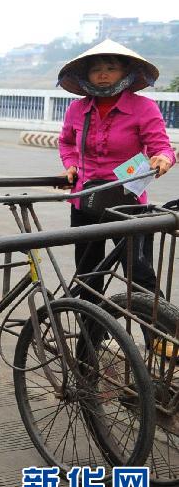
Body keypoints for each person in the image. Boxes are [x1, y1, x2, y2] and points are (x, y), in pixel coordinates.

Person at [56, 39, 174, 299]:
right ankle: (90, 337)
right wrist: (70, 165)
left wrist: (162, 158)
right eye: (96, 69)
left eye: (111, 68)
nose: (103, 74)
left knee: (140, 275)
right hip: (85, 202)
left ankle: (159, 337)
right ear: (86, 75)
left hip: (128, 202)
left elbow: (161, 147)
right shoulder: (77, 109)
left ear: (125, 73)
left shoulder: (143, 107)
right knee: (89, 276)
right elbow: (65, 142)